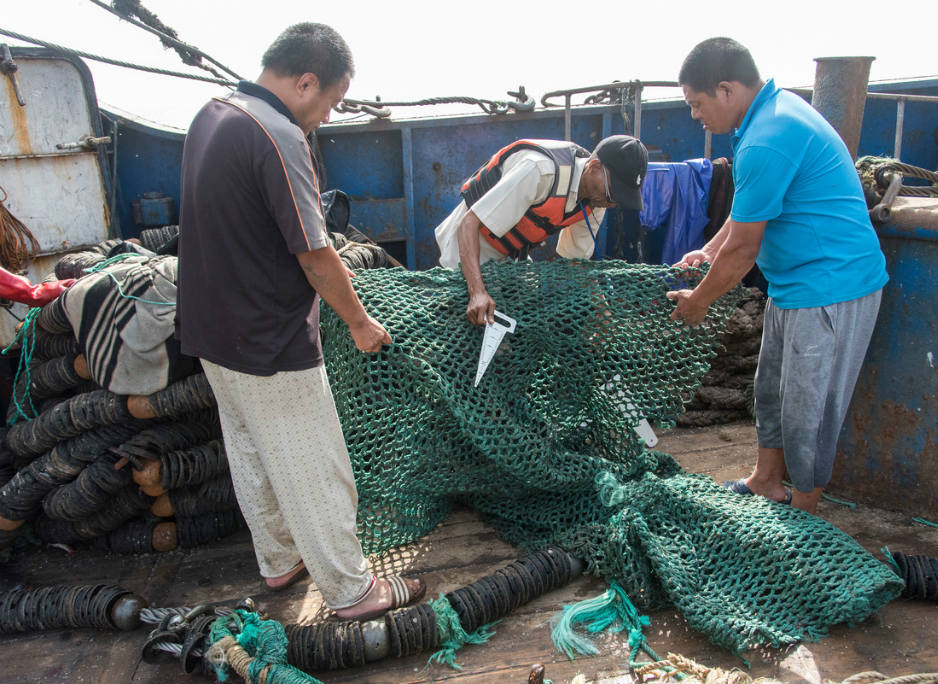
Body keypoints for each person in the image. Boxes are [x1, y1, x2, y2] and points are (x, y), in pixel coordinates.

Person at [176, 23, 424, 620]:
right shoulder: (276, 132)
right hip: (267, 336)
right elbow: (314, 253)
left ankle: (279, 560)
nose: (325, 117)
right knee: (316, 464)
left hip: (211, 330)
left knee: (252, 452)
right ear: (306, 81)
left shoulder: (212, 113)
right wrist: (360, 322)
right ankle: (351, 590)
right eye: (330, 103)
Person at [666, 37, 888, 515]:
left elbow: (745, 249)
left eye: (697, 104)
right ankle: (767, 479)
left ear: (725, 90)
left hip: (831, 287)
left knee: (809, 407)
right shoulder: (764, 118)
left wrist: (700, 301)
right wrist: (706, 252)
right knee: (771, 392)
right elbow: (747, 213)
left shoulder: (768, 135)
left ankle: (803, 510)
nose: (695, 115)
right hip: (793, 286)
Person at [435, 136, 649, 325]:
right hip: (468, 249)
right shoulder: (540, 171)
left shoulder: (596, 201)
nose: (612, 203)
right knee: (471, 330)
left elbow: (576, 262)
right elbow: (469, 223)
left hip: (512, 259)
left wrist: (602, 312)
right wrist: (477, 292)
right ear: (593, 167)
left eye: (619, 199)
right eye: (613, 193)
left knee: (525, 327)